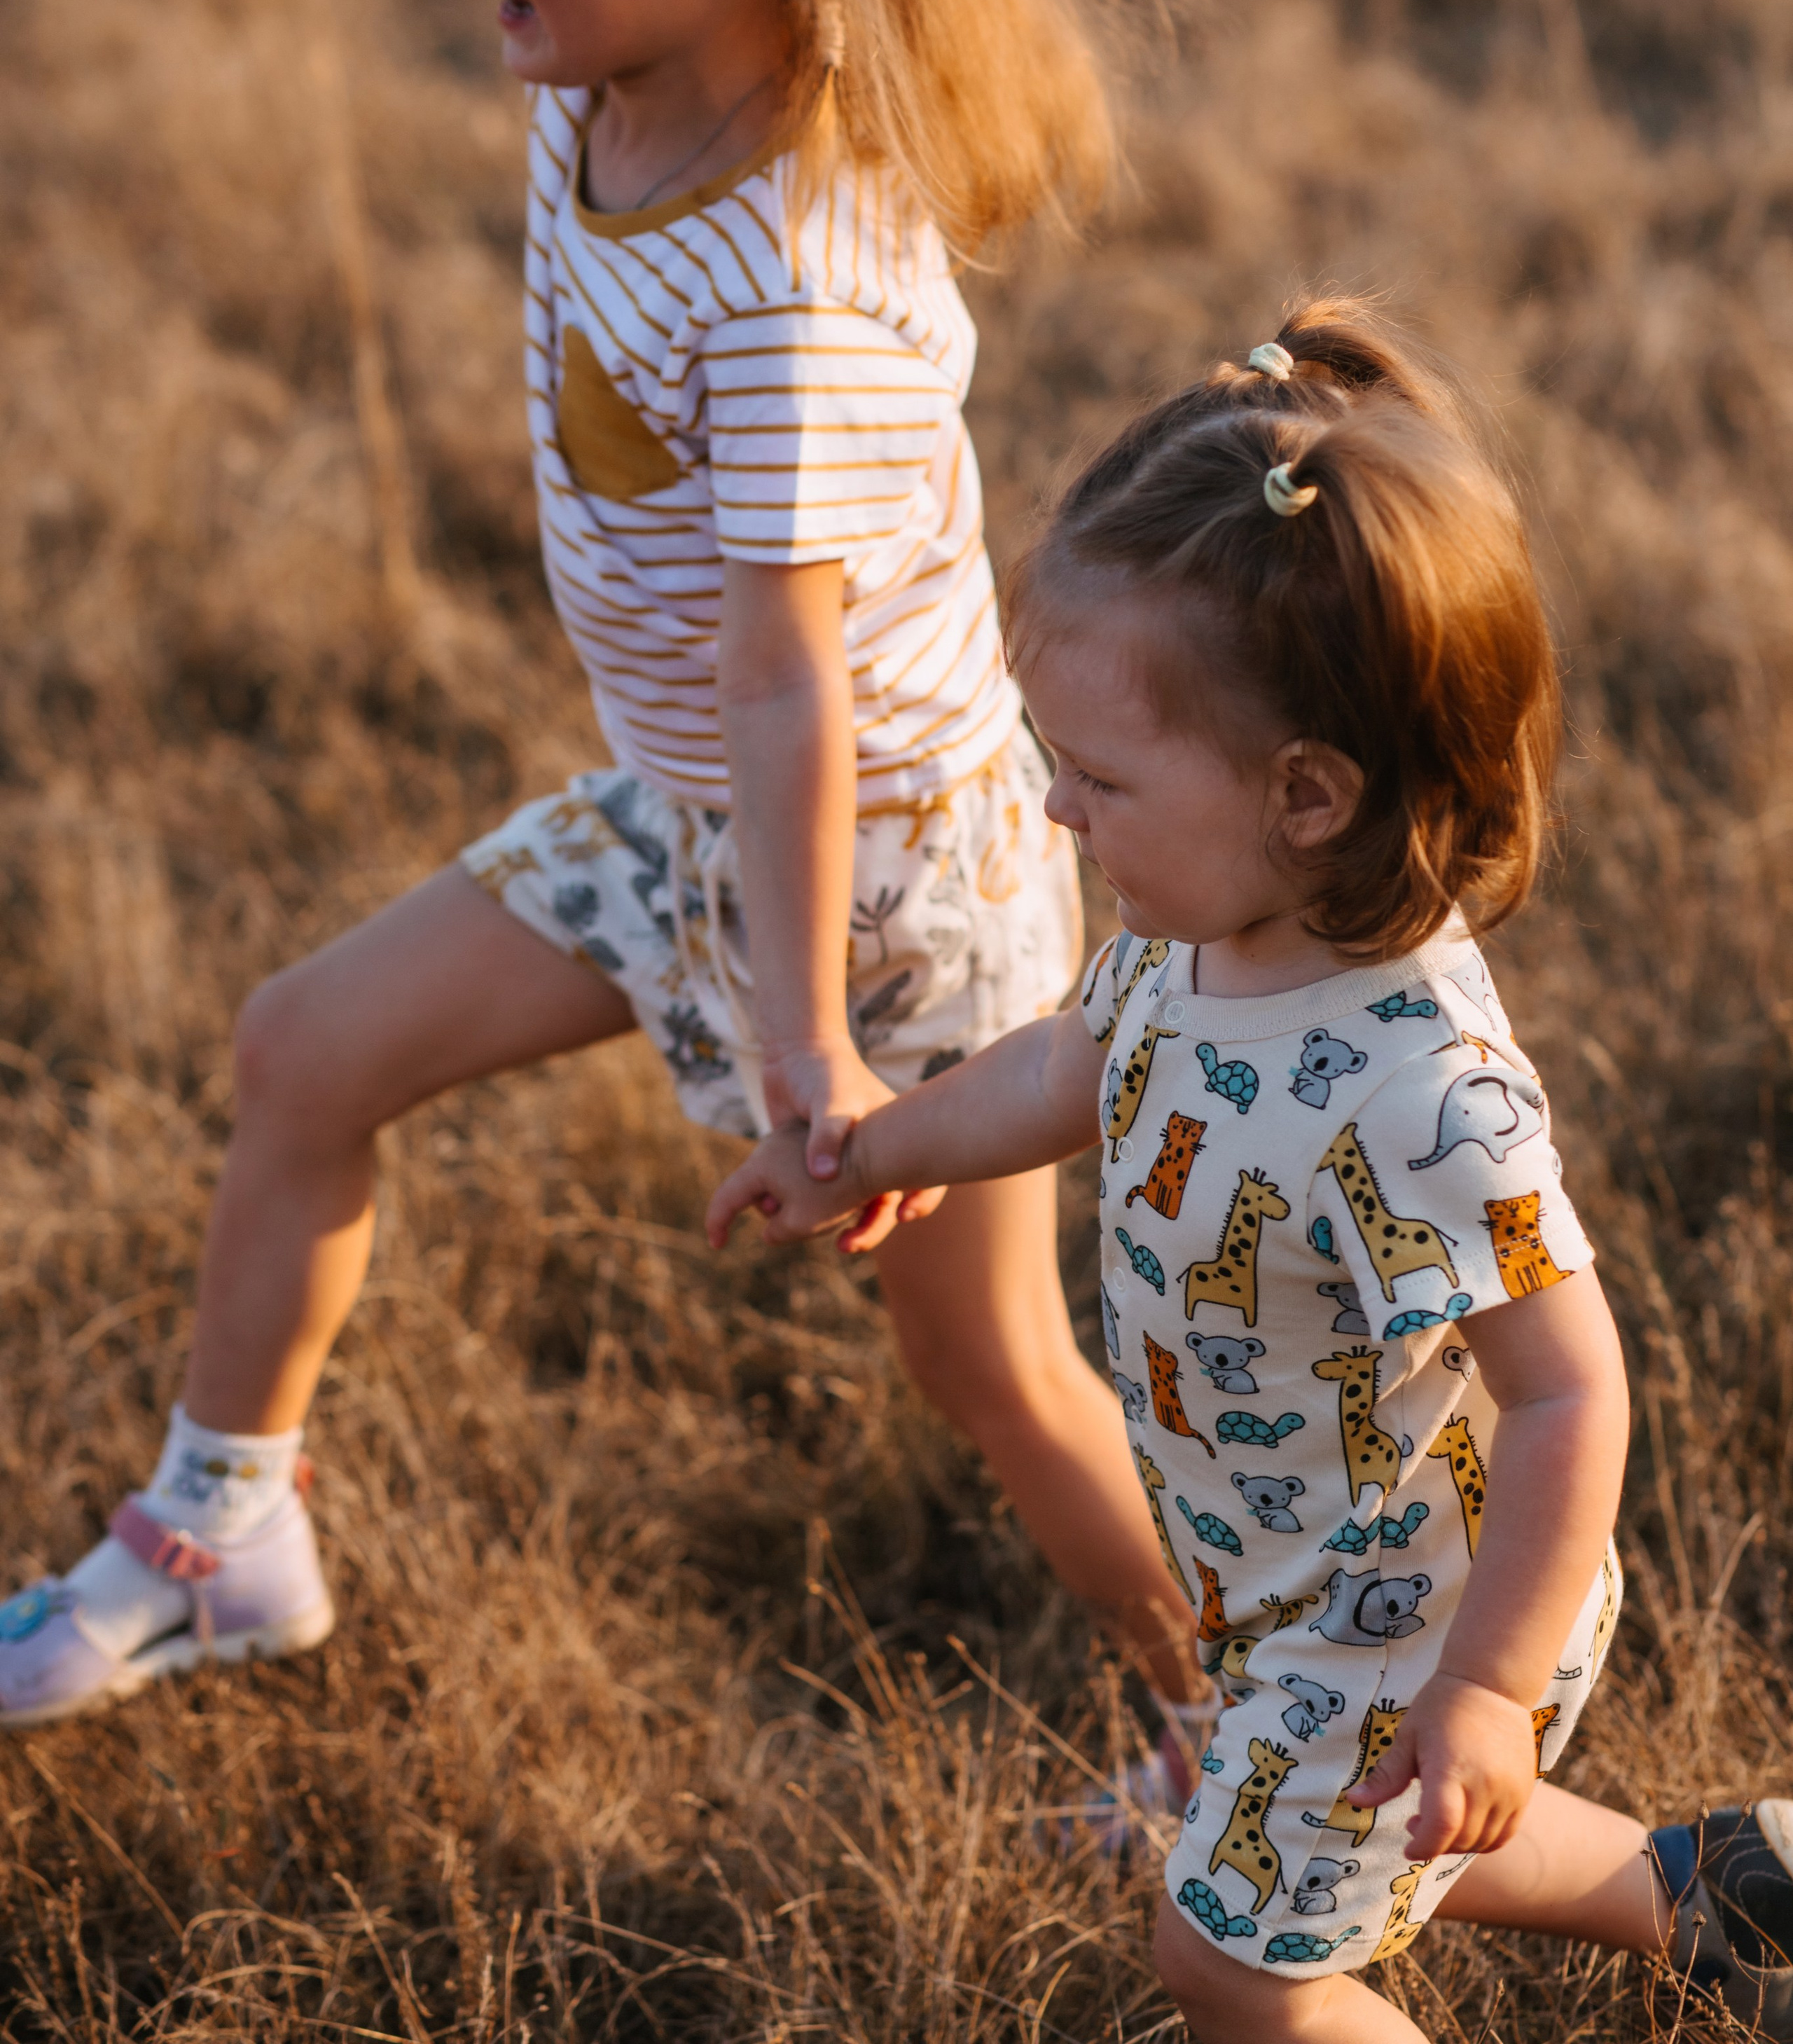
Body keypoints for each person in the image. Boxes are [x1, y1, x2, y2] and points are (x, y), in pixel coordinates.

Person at [0, 0, 1205, 1766]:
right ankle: (221, 1531)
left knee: (994, 1378)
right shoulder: (624, 33)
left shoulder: (791, 285)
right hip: (694, 807)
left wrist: (811, 1049)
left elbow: (800, 689)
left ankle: (1233, 1722)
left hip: (886, 885)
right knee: (299, 1055)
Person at [709, 303, 1793, 2043]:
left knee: (1231, 1963)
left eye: (1098, 777)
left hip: (1412, 1611)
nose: (1055, 813)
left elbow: (1571, 1390)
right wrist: (880, 1147)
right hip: (1278, 1571)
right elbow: (1078, 1062)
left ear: (1302, 794)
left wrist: (1486, 1693)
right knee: (1360, 1849)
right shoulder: (1192, 928)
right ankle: (1715, 1894)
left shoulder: (1412, 1087)